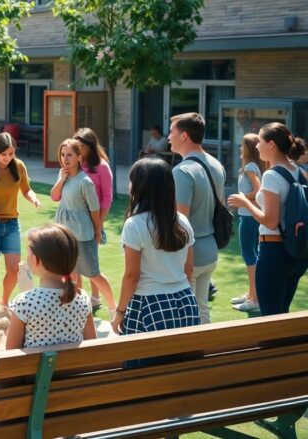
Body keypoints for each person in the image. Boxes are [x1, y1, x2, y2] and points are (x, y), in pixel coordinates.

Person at [111, 158, 200, 336]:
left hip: (149, 305)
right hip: (186, 301)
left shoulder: (134, 225)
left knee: (142, 362)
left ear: (140, 187)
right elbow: (188, 270)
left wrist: (119, 312)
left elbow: (131, 276)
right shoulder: (182, 221)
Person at [228, 123, 308, 316]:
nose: (257, 146)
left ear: (271, 144)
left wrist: (245, 203)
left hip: (274, 251)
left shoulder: (271, 175)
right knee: (282, 314)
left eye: (260, 142)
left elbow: (270, 221)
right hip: (297, 252)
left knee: (270, 318)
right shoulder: (298, 171)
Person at [0, 132, 41, 311]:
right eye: (4, 154)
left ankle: (4, 302)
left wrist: (33, 198)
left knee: (14, 268)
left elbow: (26, 190)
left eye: (11, 154)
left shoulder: (18, 166)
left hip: (11, 223)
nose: (8, 158)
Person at [168, 112, 225, 324]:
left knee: (184, 316)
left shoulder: (182, 171)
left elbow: (181, 224)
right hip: (210, 249)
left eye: (171, 131)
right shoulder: (216, 164)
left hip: (191, 254)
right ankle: (205, 354)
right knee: (201, 309)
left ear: (184, 136)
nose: (168, 137)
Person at [51, 138, 117, 318]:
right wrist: (62, 179)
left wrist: (97, 231)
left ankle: (114, 308)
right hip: (65, 232)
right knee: (70, 274)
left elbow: (94, 209)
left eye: (70, 155)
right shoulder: (62, 174)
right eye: (63, 155)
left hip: (83, 234)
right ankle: (76, 310)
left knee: (93, 273)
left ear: (79, 157)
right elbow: (54, 196)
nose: (65, 159)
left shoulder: (85, 182)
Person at [5, 224, 96, 349]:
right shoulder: (83, 299)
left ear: (36, 259)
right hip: (73, 368)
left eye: (28, 252)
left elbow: (11, 354)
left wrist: (26, 293)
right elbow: (92, 347)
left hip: (37, 369)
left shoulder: (23, 303)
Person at [73, 128, 115, 310]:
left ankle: (97, 297)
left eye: (82, 146)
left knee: (90, 262)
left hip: (92, 221)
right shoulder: (75, 163)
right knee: (74, 263)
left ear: (91, 146)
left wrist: (99, 223)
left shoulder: (102, 167)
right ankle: (79, 299)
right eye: (77, 146)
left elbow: (107, 197)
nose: (79, 150)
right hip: (74, 221)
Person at [230, 133, 264, 313]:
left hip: (249, 216)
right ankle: (253, 293)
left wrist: (242, 198)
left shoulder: (250, 166)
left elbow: (259, 191)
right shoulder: (254, 166)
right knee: (254, 255)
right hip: (251, 216)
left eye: (242, 146)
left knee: (249, 255)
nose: (240, 149)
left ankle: (255, 298)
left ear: (249, 149)